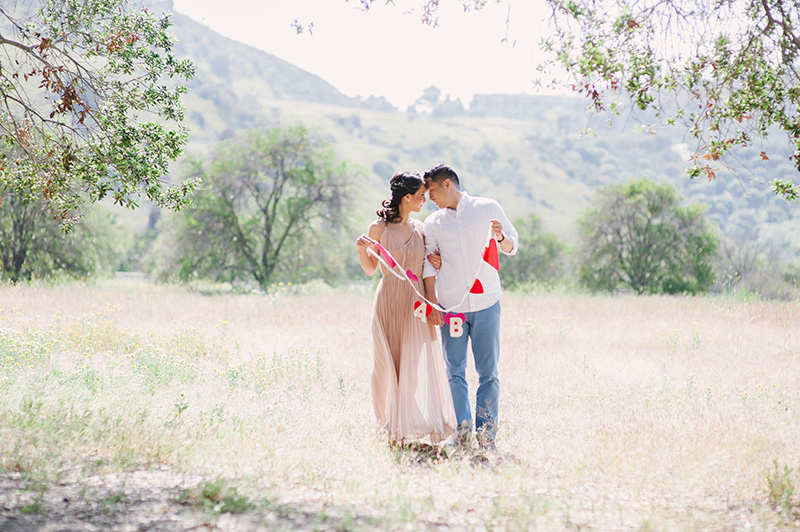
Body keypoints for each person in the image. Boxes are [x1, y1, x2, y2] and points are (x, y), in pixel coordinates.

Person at [355, 172, 457, 445]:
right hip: (388, 296)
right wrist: (360, 250)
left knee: (410, 365)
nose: (425, 199)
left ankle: (401, 424)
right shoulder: (378, 228)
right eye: (421, 195)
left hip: (416, 302)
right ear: (407, 197)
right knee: (385, 363)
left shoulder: (422, 229)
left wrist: (436, 266)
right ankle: (384, 422)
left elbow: (426, 269)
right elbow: (369, 270)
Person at [422, 164, 518, 449]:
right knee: (455, 370)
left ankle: (486, 435)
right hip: (451, 306)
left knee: (488, 371)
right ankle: (462, 433)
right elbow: (429, 261)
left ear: (448, 184)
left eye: (432, 190)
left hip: (487, 302)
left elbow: (513, 245)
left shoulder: (488, 208)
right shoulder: (433, 223)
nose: (429, 197)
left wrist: (500, 237)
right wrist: (433, 303)